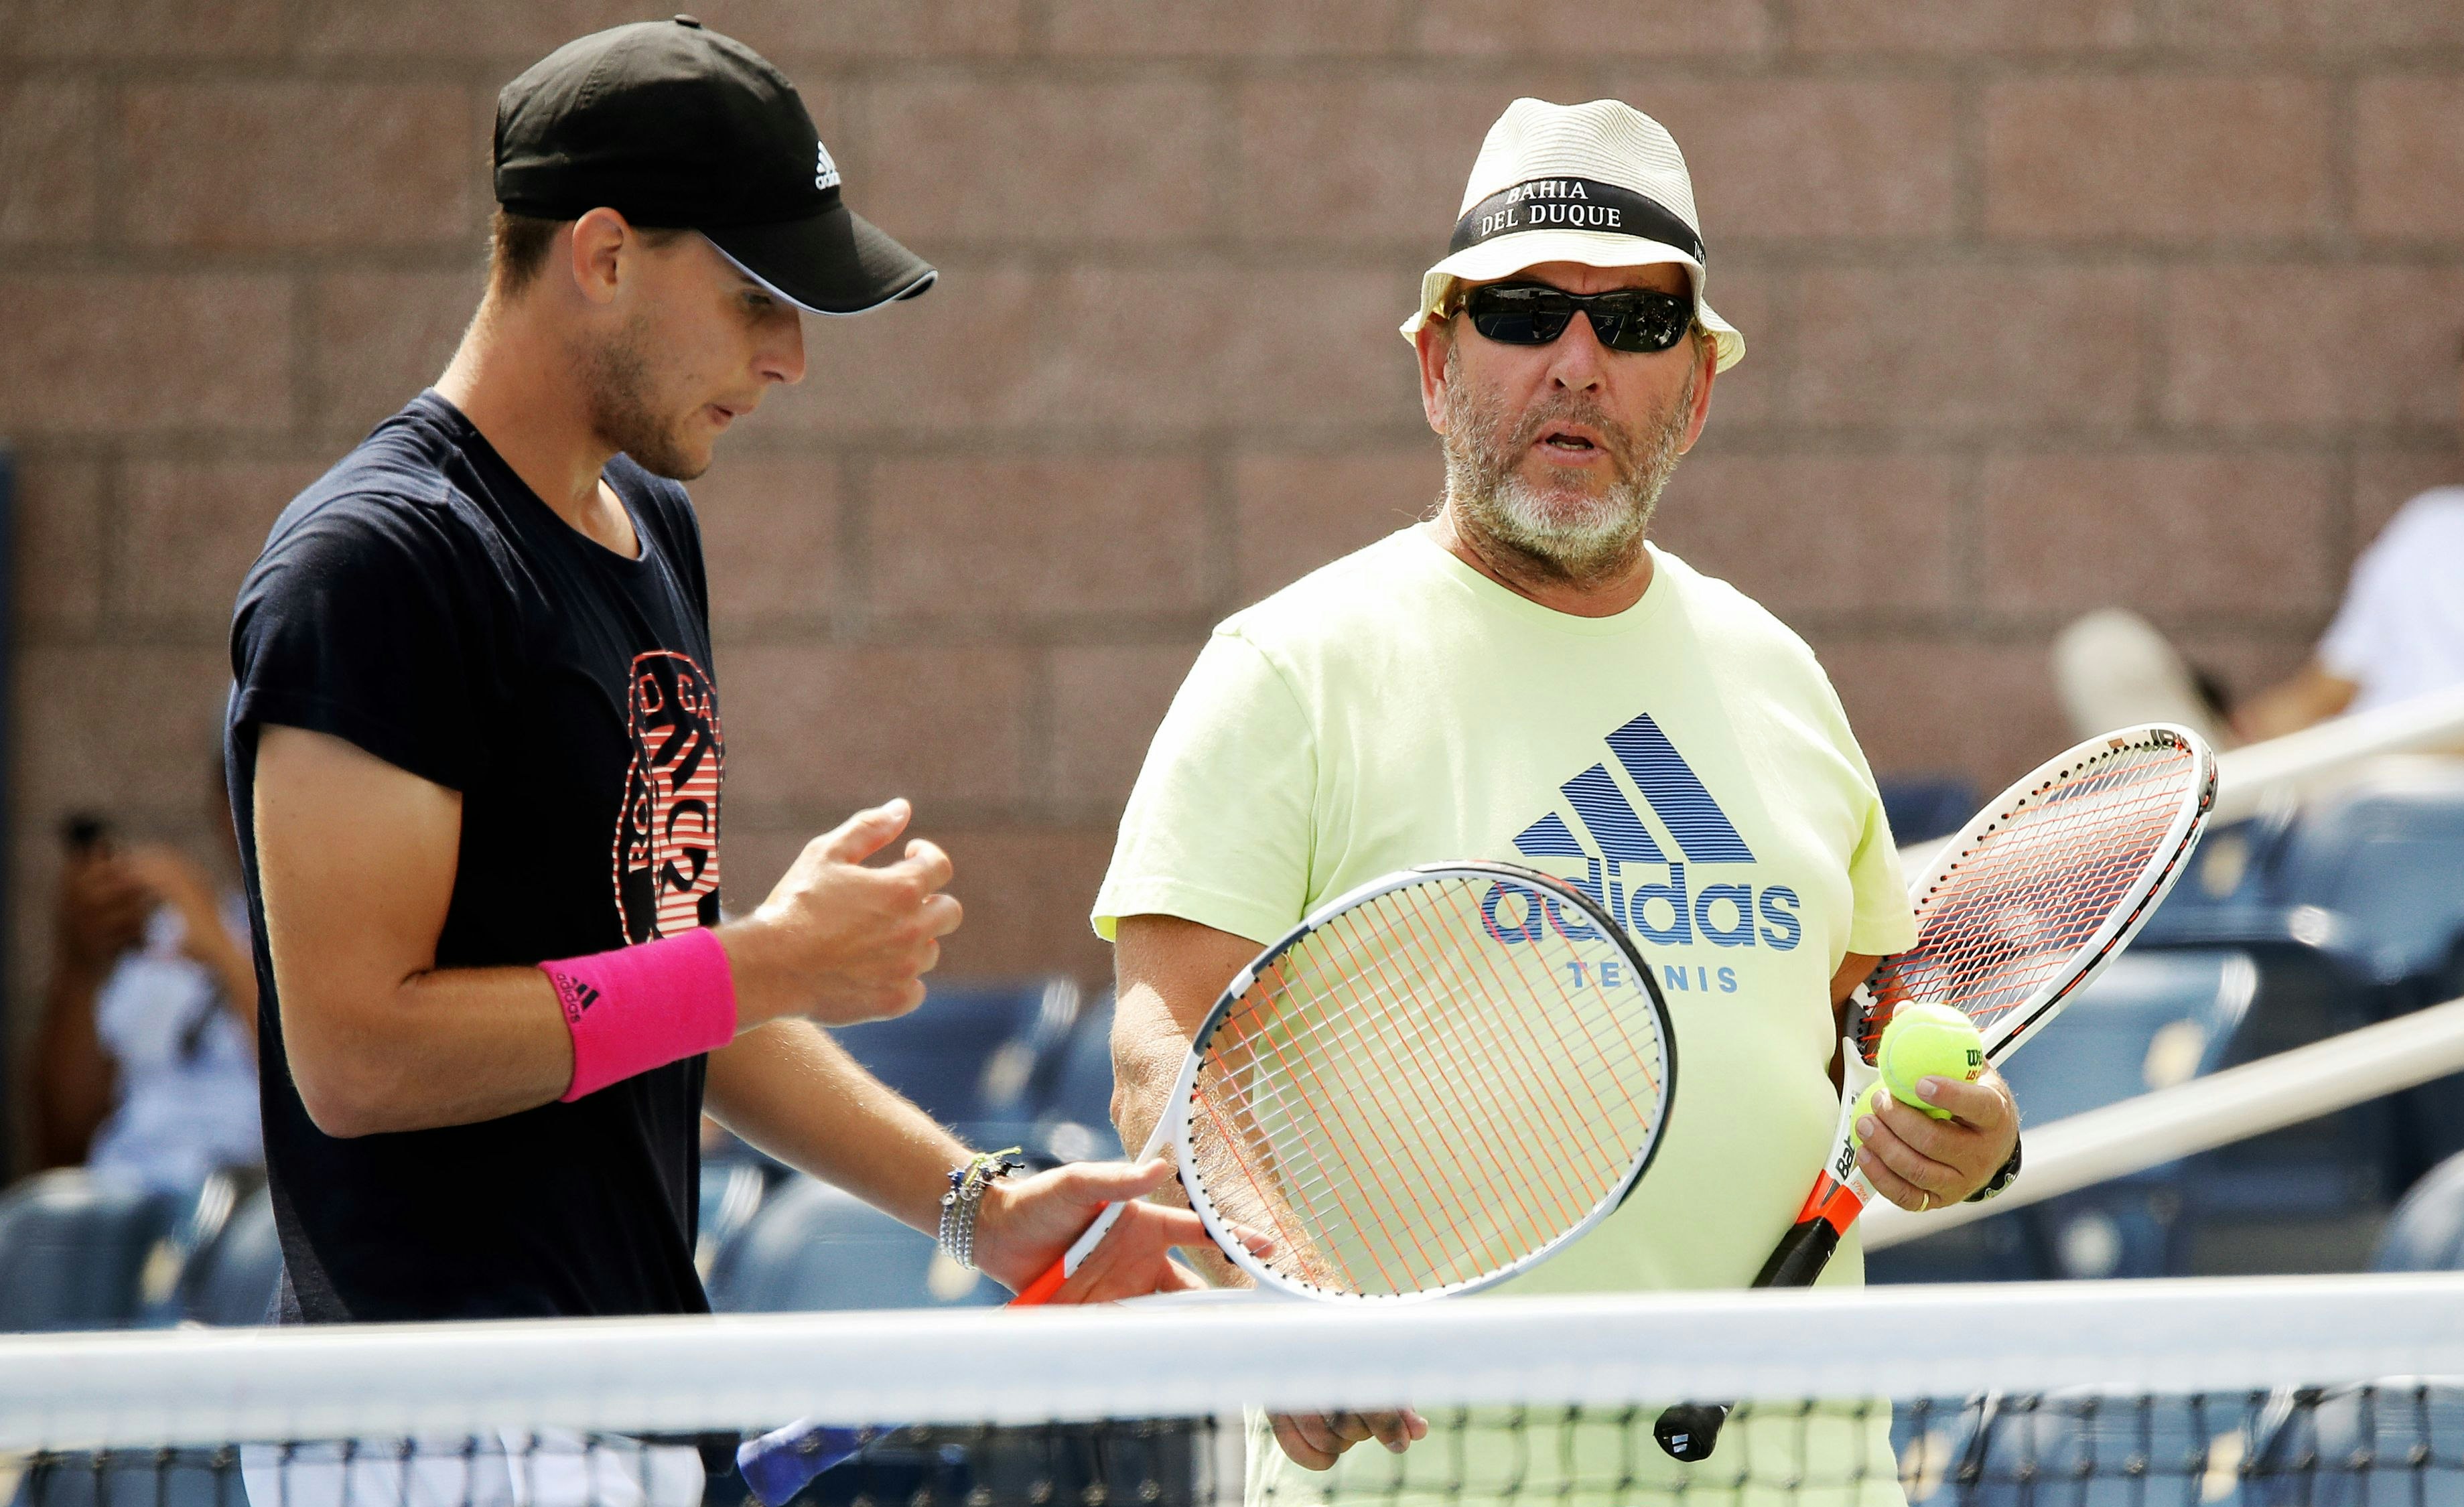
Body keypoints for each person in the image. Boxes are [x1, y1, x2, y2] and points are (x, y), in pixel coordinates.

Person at [1092, 99, 2022, 1498]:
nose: (1576, 365)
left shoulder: (1779, 675)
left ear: (1697, 388)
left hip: (1790, 1477)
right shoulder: (1285, 671)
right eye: (1523, 312)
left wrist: (1964, 1146)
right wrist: (1280, 1288)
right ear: (1432, 362)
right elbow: (1167, 1046)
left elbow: (1868, 1019)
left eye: (1636, 326)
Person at [230, 20, 1204, 1343]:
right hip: (430, 1423)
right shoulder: (377, 562)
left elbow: (665, 991)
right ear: (605, 255)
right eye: (756, 293)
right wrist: (764, 963)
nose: (791, 354)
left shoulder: (648, 523)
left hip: (634, 1397)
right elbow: (356, 1055)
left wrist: (976, 1204)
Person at [2057, 246, 2464, 751]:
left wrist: (2372, 759)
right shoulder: (2431, 524)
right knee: (2105, 654)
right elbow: (2322, 694)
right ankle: (2196, 812)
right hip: (2336, 786)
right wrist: (2246, 741)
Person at [31, 769, 263, 1194]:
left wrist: (221, 951)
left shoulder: (331, 949)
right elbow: (62, 1144)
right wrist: (82, 965)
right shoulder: (159, 941)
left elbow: (318, 1109)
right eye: (238, 783)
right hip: (125, 1197)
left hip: (248, 1205)